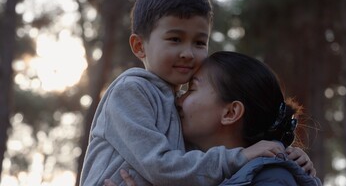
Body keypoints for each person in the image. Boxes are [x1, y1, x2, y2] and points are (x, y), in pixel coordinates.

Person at [80, 0, 287, 186]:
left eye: (199, 43)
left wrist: (283, 151)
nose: (188, 53)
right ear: (139, 46)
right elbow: (159, 167)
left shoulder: (178, 107)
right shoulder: (131, 91)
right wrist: (241, 157)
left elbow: (194, 167)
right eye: (175, 39)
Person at [105, 51, 322, 186]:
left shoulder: (272, 178)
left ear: (230, 113)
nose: (178, 100)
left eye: (192, 89)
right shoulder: (199, 173)